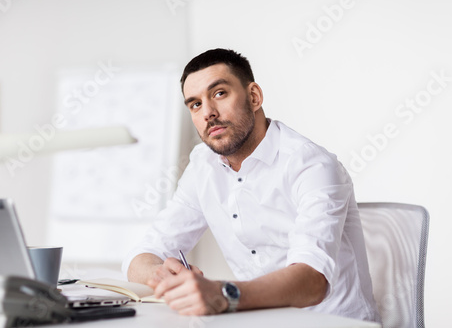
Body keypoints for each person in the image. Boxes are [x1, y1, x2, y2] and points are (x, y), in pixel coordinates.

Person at [122, 48, 380, 322]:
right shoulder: (203, 165)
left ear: (254, 96)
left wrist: (223, 294)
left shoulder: (312, 165)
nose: (208, 112)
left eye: (219, 93)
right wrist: (160, 275)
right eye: (195, 104)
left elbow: (312, 280)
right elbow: (144, 252)